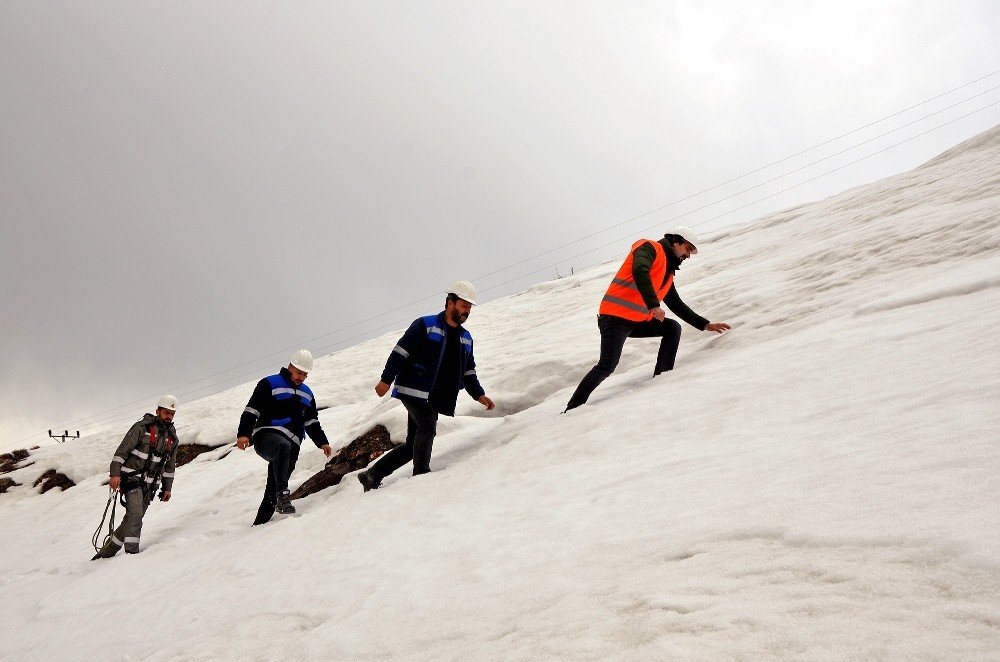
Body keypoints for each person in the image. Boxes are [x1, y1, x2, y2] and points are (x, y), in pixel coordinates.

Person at [565, 226, 730, 411]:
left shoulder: (667, 273)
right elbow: (640, 270)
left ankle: (662, 379)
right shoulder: (649, 248)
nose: (688, 255)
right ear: (676, 242)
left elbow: (676, 304)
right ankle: (572, 408)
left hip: (634, 322)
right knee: (607, 365)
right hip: (613, 318)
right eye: (688, 249)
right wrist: (653, 305)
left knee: (672, 327)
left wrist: (705, 324)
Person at [358, 280, 495, 491]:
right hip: (413, 388)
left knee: (414, 442)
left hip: (435, 395)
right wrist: (386, 379)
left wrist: (479, 394)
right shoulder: (425, 325)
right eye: (463, 305)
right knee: (428, 423)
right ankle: (421, 474)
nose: (467, 311)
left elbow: (469, 371)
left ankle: (372, 474)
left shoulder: (466, 338)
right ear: (450, 303)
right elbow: (400, 352)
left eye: (469, 307)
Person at [235, 349, 332, 523]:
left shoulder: (307, 393)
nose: (301, 377)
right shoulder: (269, 383)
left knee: (273, 488)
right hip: (267, 436)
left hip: (292, 445)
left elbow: (311, 422)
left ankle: (259, 525)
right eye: (299, 372)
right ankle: (283, 495)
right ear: (290, 367)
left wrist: (322, 442)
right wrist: (243, 434)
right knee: (282, 448)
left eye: (305, 374)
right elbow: (252, 410)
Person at [92, 395, 181, 559]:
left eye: (172, 413)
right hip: (131, 480)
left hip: (150, 485)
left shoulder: (172, 438)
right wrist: (115, 474)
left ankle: (106, 553)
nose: (169, 416)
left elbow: (169, 467)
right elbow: (121, 453)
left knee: (132, 518)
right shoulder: (142, 428)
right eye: (166, 412)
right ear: (158, 411)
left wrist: (167, 488)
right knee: (136, 515)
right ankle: (132, 554)